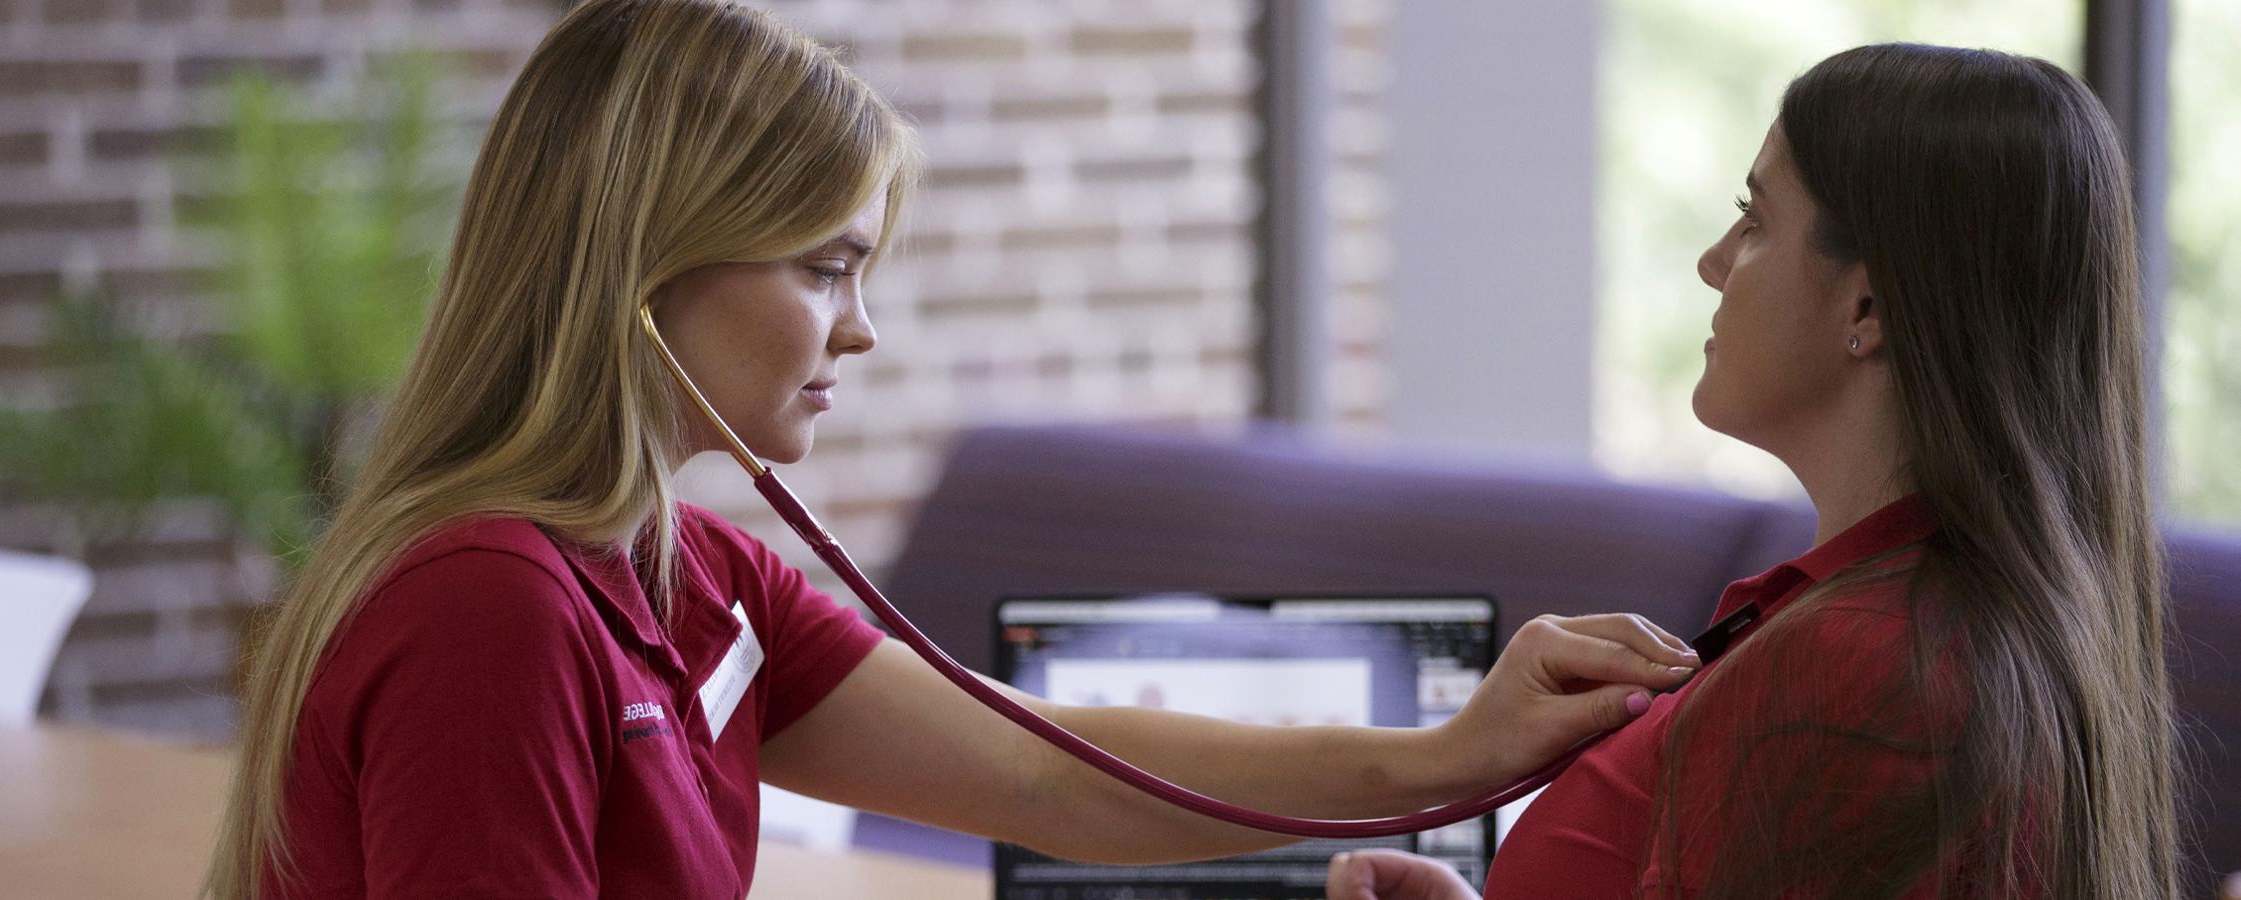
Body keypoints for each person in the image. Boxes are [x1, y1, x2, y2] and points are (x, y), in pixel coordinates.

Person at [199, 2, 1702, 897]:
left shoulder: (691, 576)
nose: (858, 332)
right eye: (823, 268)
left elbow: (1043, 777)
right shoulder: (490, 610)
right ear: (643, 273)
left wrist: (1443, 763)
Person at [1326, 43, 2182, 900]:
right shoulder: (1925, 625)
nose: (1713, 260)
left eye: (1755, 221)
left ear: (1868, 306)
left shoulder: (1853, 670)